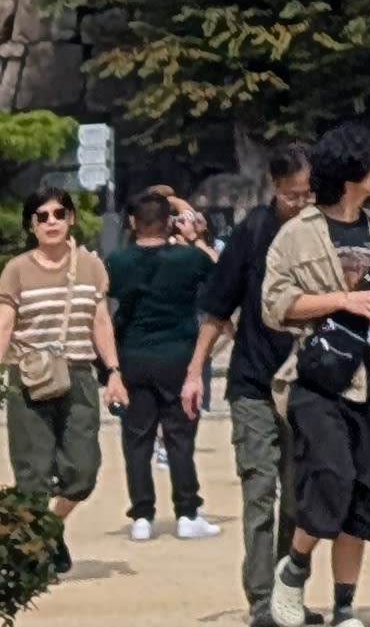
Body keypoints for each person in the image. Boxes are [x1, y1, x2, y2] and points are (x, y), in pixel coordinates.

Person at [258, 123, 370, 627]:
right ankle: (296, 564)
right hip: (321, 378)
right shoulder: (298, 233)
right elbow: (275, 306)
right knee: (332, 476)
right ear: (348, 171)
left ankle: (344, 609)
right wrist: (341, 301)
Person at [188, 142, 309, 627]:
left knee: (300, 496)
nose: (301, 202)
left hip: (309, 382)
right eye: (292, 194)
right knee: (261, 488)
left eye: (308, 193)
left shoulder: (322, 233)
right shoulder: (252, 232)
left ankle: (288, 590)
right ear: (275, 188)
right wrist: (196, 371)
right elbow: (217, 308)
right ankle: (262, 596)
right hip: (254, 382)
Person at [0, 193, 123, 574]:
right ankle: (34, 556)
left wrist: (114, 372)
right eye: (42, 215)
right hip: (29, 377)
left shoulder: (90, 267)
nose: (51, 221)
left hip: (79, 374)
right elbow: (4, 320)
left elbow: (99, 320)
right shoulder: (16, 270)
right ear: (31, 225)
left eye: (59, 214)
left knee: (83, 470)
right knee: (33, 474)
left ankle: (52, 528)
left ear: (70, 219)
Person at [107, 184, 217, 543]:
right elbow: (222, 276)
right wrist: (196, 239)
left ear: (133, 221)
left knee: (137, 438)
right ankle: (187, 512)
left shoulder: (117, 262)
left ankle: (142, 515)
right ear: (169, 222)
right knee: (180, 436)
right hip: (179, 356)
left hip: (132, 355)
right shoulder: (189, 259)